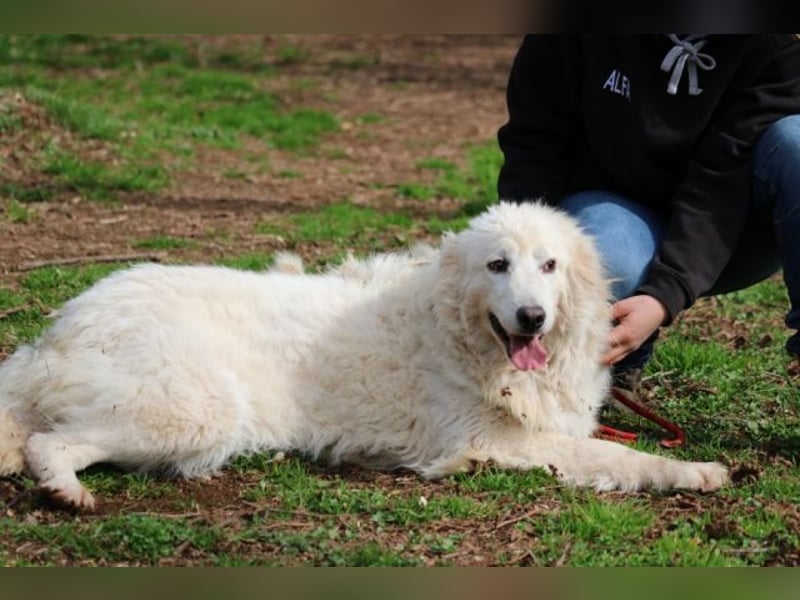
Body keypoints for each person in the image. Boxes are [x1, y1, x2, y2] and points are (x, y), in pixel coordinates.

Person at [497, 34, 800, 396]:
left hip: (733, 229)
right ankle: (612, 365)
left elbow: (720, 177)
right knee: (598, 256)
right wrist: (522, 258)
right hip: (617, 216)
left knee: (795, 143)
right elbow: (535, 144)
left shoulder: (779, 41)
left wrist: (664, 293)